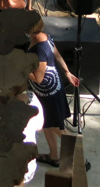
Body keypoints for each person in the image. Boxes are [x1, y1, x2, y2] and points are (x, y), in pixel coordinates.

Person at [27, 10, 78, 168]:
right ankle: (54, 156)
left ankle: (79, 155)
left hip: (48, 95)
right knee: (48, 124)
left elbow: (38, 78)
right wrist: (67, 72)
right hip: (49, 91)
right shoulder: (46, 37)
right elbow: (58, 56)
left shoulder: (39, 49)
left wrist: (20, 68)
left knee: (57, 128)